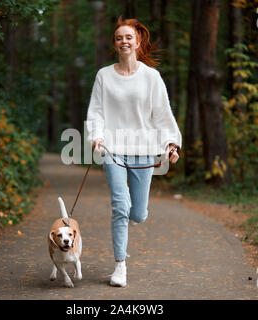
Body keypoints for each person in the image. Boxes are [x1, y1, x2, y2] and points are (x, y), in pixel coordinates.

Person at [85, 16, 182, 287]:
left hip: (143, 150)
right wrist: (97, 138)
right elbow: (97, 111)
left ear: (138, 42)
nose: (123, 41)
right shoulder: (104, 75)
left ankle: (132, 216)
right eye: (119, 38)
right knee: (119, 205)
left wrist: (171, 144)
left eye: (129, 37)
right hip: (112, 149)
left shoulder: (151, 77)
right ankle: (120, 266)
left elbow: (162, 115)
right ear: (115, 44)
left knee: (137, 213)